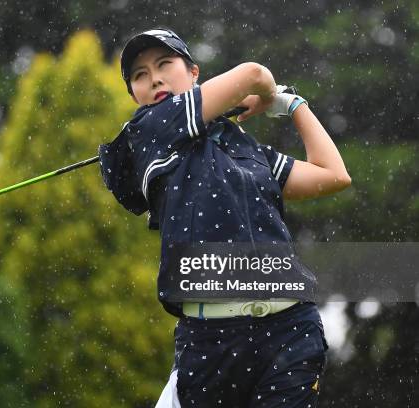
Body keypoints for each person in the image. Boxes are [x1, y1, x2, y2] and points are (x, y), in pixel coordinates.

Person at [98, 28, 352, 407]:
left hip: (290, 329)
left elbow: (333, 175)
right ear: (135, 94)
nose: (154, 78)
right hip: (212, 341)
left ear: (194, 72)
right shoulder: (151, 129)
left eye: (165, 64)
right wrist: (265, 95)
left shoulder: (242, 146)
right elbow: (252, 74)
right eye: (140, 75)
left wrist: (293, 105)